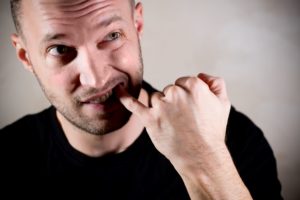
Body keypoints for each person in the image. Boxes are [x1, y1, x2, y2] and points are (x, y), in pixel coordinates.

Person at [0, 0, 282, 199]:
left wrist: (204, 160)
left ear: (137, 23)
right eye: (60, 49)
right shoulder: (8, 160)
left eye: (111, 36)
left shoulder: (229, 142)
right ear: (25, 55)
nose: (96, 79)